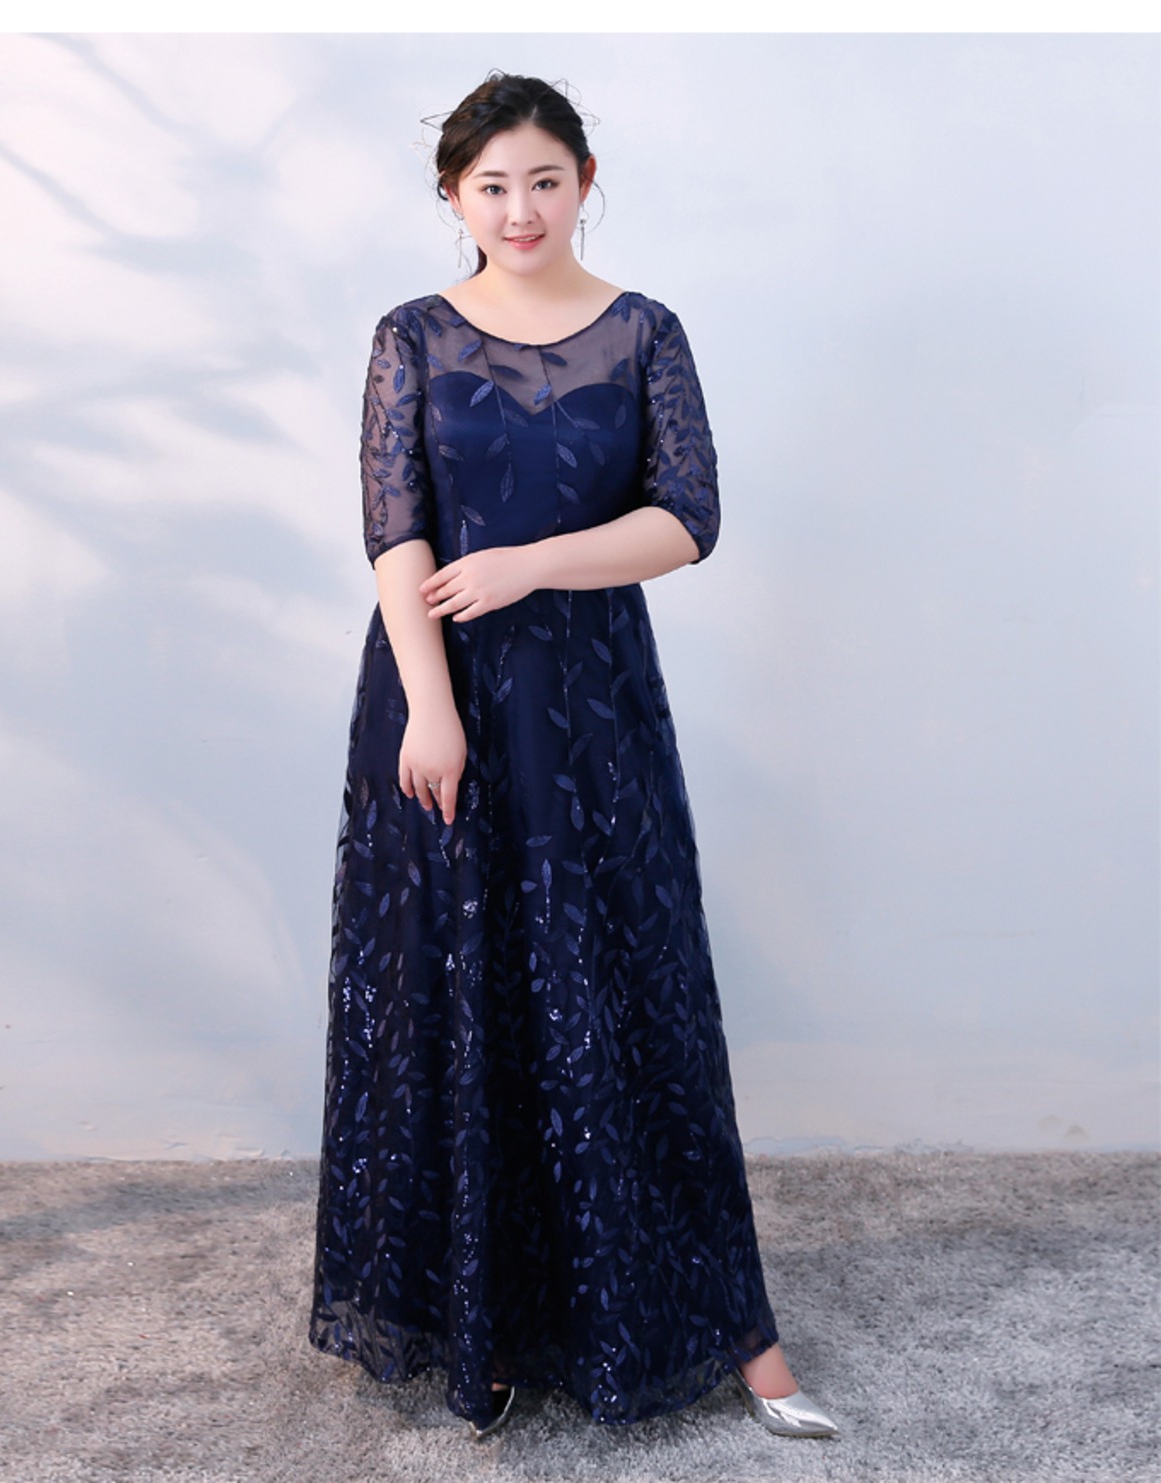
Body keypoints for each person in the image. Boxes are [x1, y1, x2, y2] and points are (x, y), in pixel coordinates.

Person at [310, 71, 837, 1444]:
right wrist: (430, 708)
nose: (520, 208)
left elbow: (688, 518)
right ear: (453, 196)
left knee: (631, 987)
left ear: (586, 181)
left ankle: (738, 1329)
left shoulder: (644, 331)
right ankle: (478, 1326)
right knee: (460, 992)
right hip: (439, 699)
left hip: (596, 706)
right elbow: (394, 532)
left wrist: (533, 561)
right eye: (491, 185)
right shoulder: (412, 335)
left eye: (544, 179)